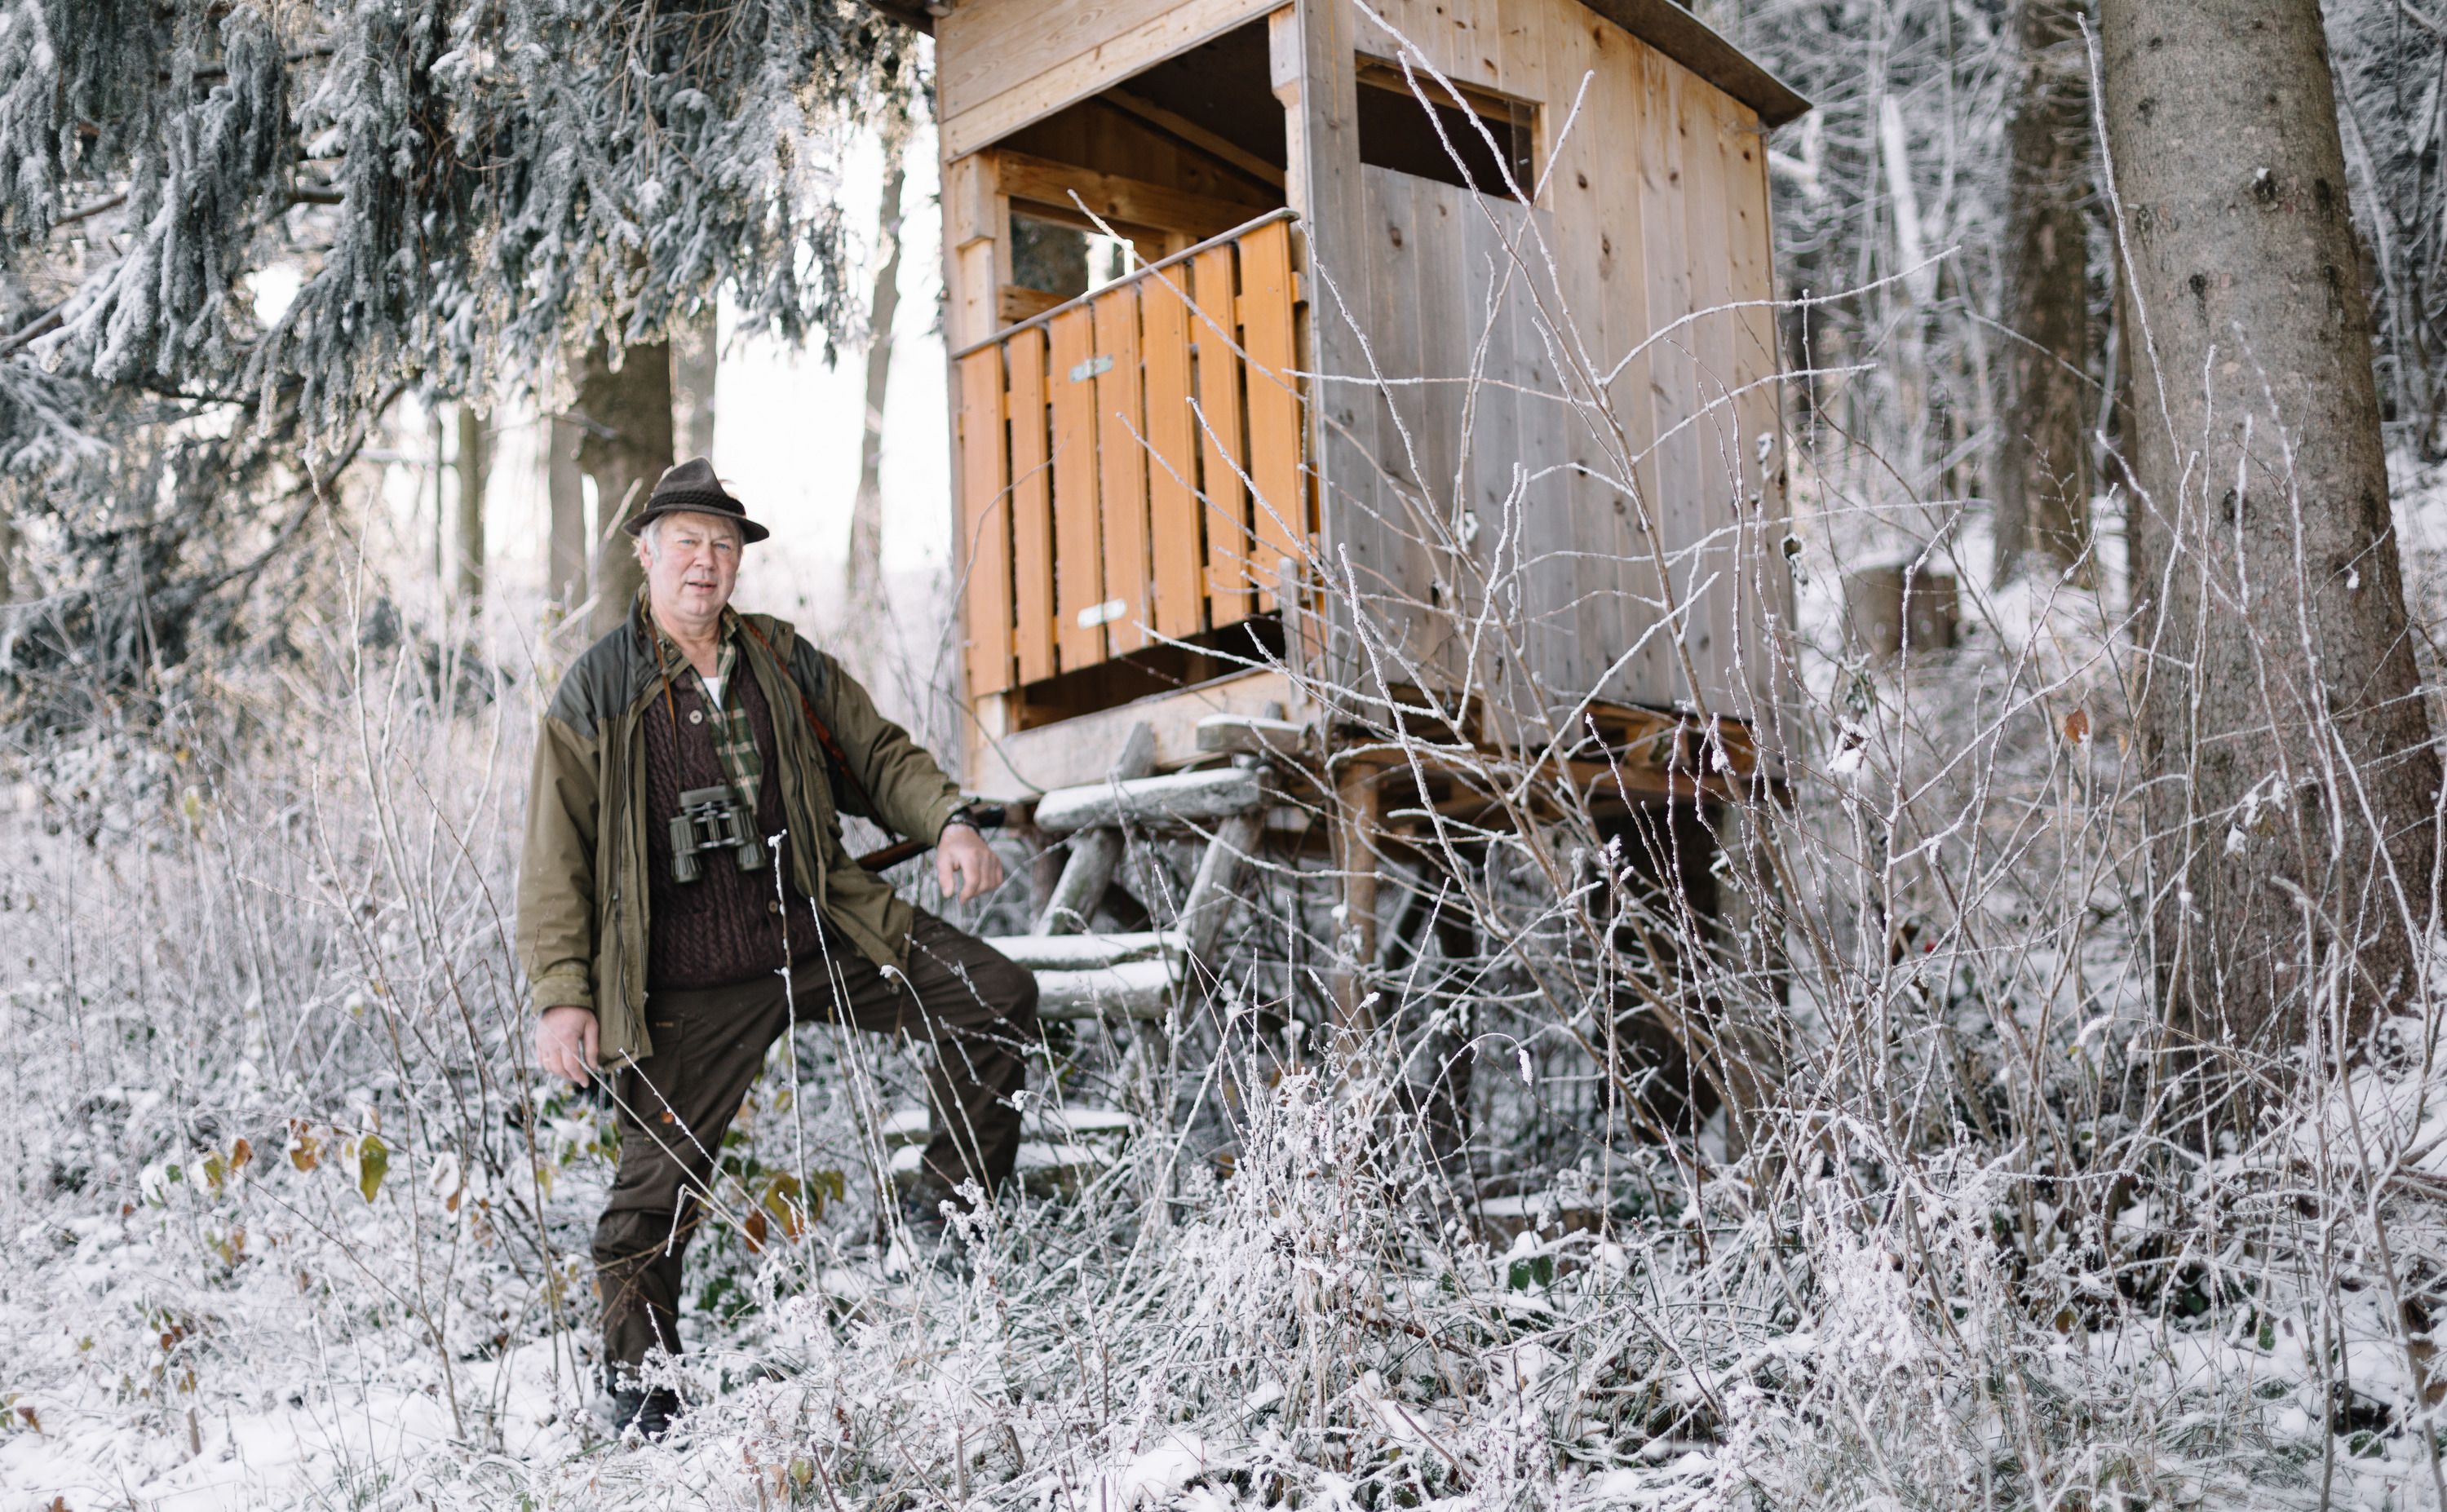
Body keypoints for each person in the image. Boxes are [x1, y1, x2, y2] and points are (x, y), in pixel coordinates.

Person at [515, 458, 1038, 1440]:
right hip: (690, 982)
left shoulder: (782, 661)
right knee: (649, 1201)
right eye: (685, 544)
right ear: (645, 554)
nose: (703, 564)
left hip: (821, 929)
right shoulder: (598, 690)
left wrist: (951, 822)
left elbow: (880, 757)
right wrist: (562, 994)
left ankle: (945, 1216)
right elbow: (557, 857)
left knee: (995, 993)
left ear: (738, 563)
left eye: (720, 545)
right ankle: (644, 1397)